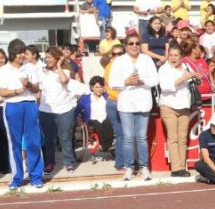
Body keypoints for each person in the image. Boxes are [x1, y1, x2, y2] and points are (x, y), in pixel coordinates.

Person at [109, 33, 158, 181]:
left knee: (142, 137)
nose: (134, 46)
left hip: (143, 102)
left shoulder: (147, 59)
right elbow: (112, 82)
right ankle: (129, 167)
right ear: (126, 46)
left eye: (137, 43)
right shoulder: (119, 61)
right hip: (126, 104)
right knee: (128, 138)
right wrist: (126, 82)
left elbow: (155, 79)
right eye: (131, 43)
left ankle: (144, 167)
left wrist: (142, 81)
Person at [0, 39, 43, 190]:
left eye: (24, 52)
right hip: (13, 106)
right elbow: (2, 92)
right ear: (12, 54)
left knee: (33, 141)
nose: (23, 56)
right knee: (15, 143)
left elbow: (36, 89)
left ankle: (36, 176)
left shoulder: (30, 67)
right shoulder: (4, 70)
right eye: (20, 53)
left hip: (29, 104)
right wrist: (18, 90)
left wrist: (28, 85)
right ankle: (17, 177)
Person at [38, 47, 84, 178]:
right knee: (48, 139)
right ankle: (49, 163)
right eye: (46, 57)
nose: (47, 60)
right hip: (46, 110)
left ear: (58, 58)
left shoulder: (65, 71)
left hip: (64, 109)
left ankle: (69, 162)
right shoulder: (42, 72)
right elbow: (39, 90)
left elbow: (64, 81)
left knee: (65, 138)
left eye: (50, 58)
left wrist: (58, 65)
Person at [157, 44, 198, 177]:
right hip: (168, 105)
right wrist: (183, 78)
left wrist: (196, 77)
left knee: (182, 138)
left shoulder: (186, 66)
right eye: (171, 55)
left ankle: (182, 166)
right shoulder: (163, 69)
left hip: (184, 106)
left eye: (176, 55)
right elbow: (165, 87)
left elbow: (192, 81)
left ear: (181, 57)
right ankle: (176, 168)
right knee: (173, 137)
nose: (173, 58)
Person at [76, 77, 114, 166]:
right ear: (92, 87)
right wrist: (79, 121)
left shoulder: (106, 96)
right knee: (97, 123)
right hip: (91, 121)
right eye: (96, 87)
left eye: (100, 87)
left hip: (105, 119)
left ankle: (107, 145)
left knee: (108, 122)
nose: (99, 89)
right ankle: (106, 146)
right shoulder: (85, 98)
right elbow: (76, 111)